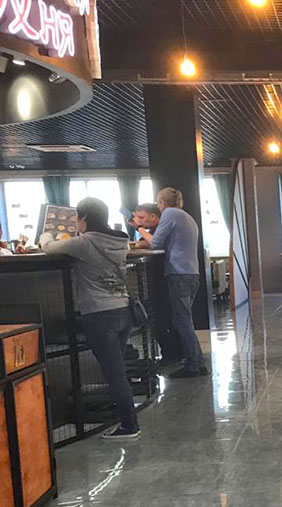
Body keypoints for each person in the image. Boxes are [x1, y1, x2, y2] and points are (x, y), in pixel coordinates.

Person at [39, 198, 140, 440]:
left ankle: (129, 425)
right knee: (117, 370)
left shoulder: (85, 243)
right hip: (123, 309)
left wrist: (46, 234)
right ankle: (127, 420)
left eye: (77, 217)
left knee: (114, 373)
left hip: (99, 313)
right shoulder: (120, 240)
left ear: (83, 218)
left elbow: (49, 247)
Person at [137, 187, 207, 379]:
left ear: (161, 203)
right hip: (191, 273)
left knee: (182, 321)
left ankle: (193, 366)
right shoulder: (185, 216)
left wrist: (140, 229)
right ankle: (198, 363)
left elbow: (156, 243)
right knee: (183, 320)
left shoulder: (169, 214)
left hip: (179, 274)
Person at [129, 203, 183, 368]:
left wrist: (139, 229)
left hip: (166, 279)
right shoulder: (154, 230)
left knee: (162, 319)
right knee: (166, 318)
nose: (139, 221)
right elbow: (145, 243)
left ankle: (171, 354)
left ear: (153, 216)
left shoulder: (161, 228)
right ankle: (176, 353)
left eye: (142, 218)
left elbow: (153, 243)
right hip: (164, 279)